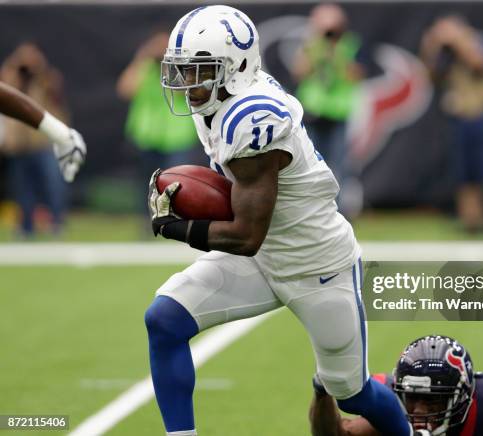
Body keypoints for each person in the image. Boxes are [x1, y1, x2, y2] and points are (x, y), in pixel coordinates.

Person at [145, 5, 412, 436]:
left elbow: (246, 235)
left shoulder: (254, 118)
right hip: (263, 256)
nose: (189, 83)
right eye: (184, 70)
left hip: (315, 264)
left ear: (235, 68)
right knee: (164, 320)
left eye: (201, 70)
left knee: (353, 394)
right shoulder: (220, 99)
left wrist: (176, 226)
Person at [309, 334, 483, 436]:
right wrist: (323, 390)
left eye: (432, 400)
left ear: (464, 396)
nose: (418, 411)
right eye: (411, 398)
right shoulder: (390, 410)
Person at [420, 16, 483, 234]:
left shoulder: (482, 41)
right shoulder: (445, 52)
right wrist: (431, 45)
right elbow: (432, 76)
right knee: (467, 173)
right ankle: (471, 222)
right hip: (464, 116)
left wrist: (458, 41)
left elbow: (480, 64)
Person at [0, 44, 86, 235]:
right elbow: (5, 90)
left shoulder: (46, 77)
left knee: (53, 185)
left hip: (43, 143)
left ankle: (57, 223)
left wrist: (39, 69)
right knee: (22, 190)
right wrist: (16, 65)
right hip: (19, 145)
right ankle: (26, 227)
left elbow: (55, 94)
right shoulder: (13, 76)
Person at [292, 3, 364, 216]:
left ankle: (338, 213)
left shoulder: (350, 45)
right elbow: (299, 72)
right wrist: (317, 48)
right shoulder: (311, 45)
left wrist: (337, 54)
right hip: (313, 112)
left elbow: (356, 75)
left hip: (338, 113)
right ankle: (312, 211)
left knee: (338, 167)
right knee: (309, 165)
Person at [117, 32, 198, 222]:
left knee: (176, 183)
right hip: (146, 135)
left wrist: (169, 65)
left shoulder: (181, 69)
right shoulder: (144, 67)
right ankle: (148, 221)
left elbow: (181, 94)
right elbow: (125, 90)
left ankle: (176, 219)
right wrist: (143, 56)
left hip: (176, 137)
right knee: (146, 184)